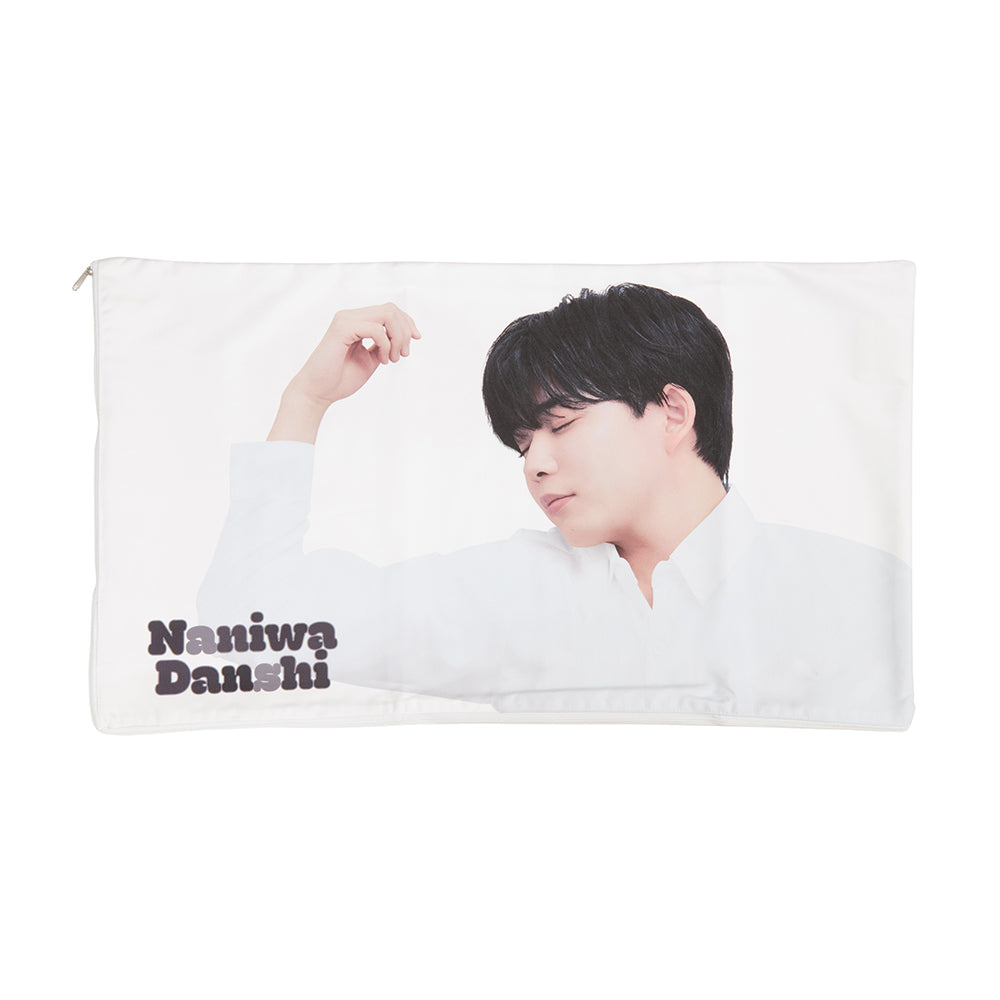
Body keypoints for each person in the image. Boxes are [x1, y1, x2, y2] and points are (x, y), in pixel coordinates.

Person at [198, 285, 913, 728]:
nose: (534, 463)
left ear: (673, 413)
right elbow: (246, 632)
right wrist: (306, 401)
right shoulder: (515, 593)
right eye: (521, 443)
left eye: (561, 424)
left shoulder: (861, 591)